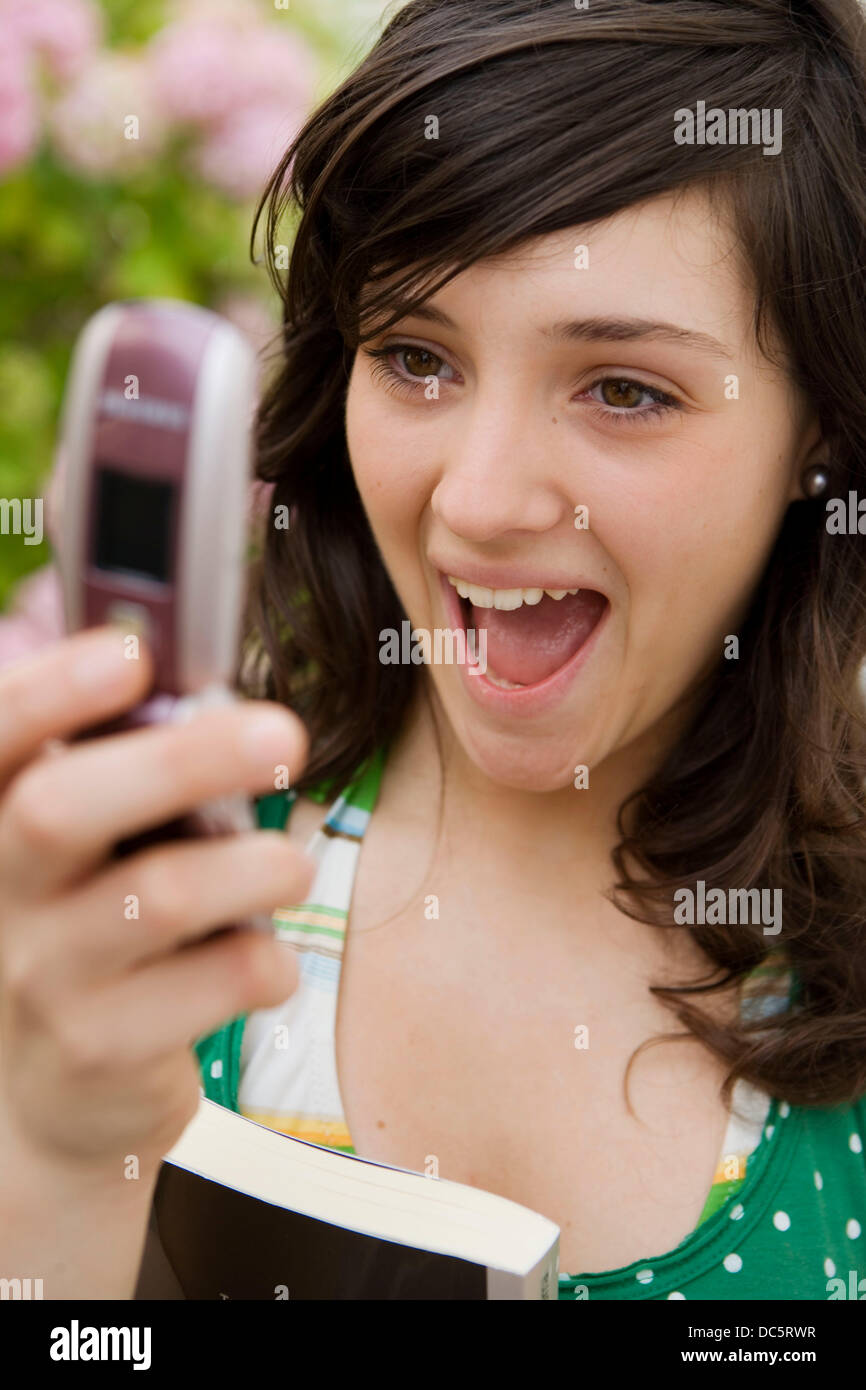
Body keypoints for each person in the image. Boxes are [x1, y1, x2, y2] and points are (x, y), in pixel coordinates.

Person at [1, 0, 865, 1301]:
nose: (476, 499)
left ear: (820, 432)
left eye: (622, 388)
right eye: (413, 356)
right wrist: (51, 1164)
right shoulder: (151, 896)